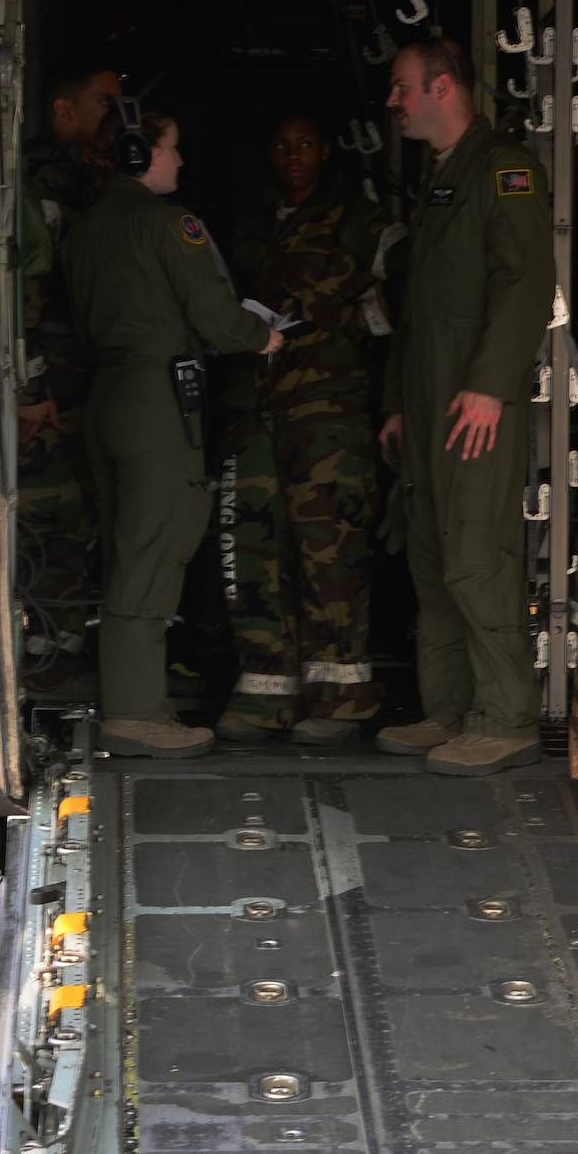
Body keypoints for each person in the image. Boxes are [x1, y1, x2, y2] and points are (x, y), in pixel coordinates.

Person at [61, 108, 285, 757]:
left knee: (129, 548)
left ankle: (136, 701)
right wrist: (261, 336)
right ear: (139, 156)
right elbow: (216, 317)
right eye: (172, 150)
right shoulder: (171, 225)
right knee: (154, 550)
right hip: (157, 404)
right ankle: (135, 713)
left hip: (108, 395)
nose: (180, 163)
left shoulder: (84, 232)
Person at [377, 37, 553, 777]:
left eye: (401, 89)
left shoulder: (504, 167)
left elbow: (526, 283)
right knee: (431, 551)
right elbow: (415, 313)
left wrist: (489, 382)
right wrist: (398, 405)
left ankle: (505, 717)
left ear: (441, 87)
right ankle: (448, 708)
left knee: (477, 552)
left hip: (475, 397)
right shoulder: (441, 179)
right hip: (429, 400)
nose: (393, 103)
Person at [216, 113, 401, 745]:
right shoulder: (252, 223)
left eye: (303, 143)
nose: (291, 155)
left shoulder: (358, 219)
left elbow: (404, 289)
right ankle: (267, 688)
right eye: (280, 144)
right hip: (258, 408)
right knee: (255, 548)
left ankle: (343, 695)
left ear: (325, 149)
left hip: (329, 410)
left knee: (332, 551)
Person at [18, 56, 121, 692]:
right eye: (105, 102)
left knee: (79, 518)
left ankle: (59, 652)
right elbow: (24, 289)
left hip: (83, 372)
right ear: (65, 109)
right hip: (48, 377)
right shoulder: (37, 179)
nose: (115, 115)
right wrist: (32, 389)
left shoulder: (92, 179)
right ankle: (38, 662)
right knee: (45, 515)